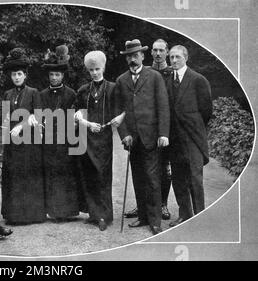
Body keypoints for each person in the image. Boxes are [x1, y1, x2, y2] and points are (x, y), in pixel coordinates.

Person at [114, 39, 170, 235]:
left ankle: (155, 221)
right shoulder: (121, 80)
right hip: (133, 140)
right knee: (138, 178)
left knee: (153, 179)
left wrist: (163, 133)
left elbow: (163, 107)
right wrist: (124, 134)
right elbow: (118, 111)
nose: (132, 59)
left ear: (142, 56)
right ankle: (144, 216)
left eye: (135, 55)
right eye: (129, 56)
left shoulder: (154, 77)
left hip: (151, 137)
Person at [73, 50, 125, 231]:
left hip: (103, 139)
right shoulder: (83, 90)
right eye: (91, 70)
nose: (94, 72)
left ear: (103, 68)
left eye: (97, 69)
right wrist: (87, 124)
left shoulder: (113, 88)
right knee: (89, 176)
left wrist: (118, 119)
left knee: (102, 176)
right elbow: (76, 114)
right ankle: (93, 214)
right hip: (87, 137)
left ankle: (104, 215)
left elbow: (123, 108)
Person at [166, 45, 212, 227]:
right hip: (175, 139)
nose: (174, 60)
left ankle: (200, 218)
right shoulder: (168, 80)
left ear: (186, 57)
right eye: (171, 57)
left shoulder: (198, 80)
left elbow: (206, 110)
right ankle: (185, 214)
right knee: (178, 179)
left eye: (177, 57)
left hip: (193, 138)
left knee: (195, 179)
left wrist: (194, 126)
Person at [0, 47, 46, 224]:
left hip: (29, 141)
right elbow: (4, 117)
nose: (16, 77)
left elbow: (39, 115)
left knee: (28, 175)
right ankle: (14, 215)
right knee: (14, 176)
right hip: (13, 143)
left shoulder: (34, 92)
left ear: (25, 75)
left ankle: (31, 214)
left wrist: (21, 125)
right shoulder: (7, 94)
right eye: (14, 75)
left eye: (19, 74)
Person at [39, 45, 80, 221]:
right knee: (51, 174)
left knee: (66, 174)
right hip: (48, 140)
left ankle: (67, 211)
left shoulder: (71, 94)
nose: (54, 78)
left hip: (65, 139)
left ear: (62, 75)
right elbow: (39, 116)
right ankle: (53, 210)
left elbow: (75, 118)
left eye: (57, 75)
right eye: (51, 75)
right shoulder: (42, 94)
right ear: (48, 76)